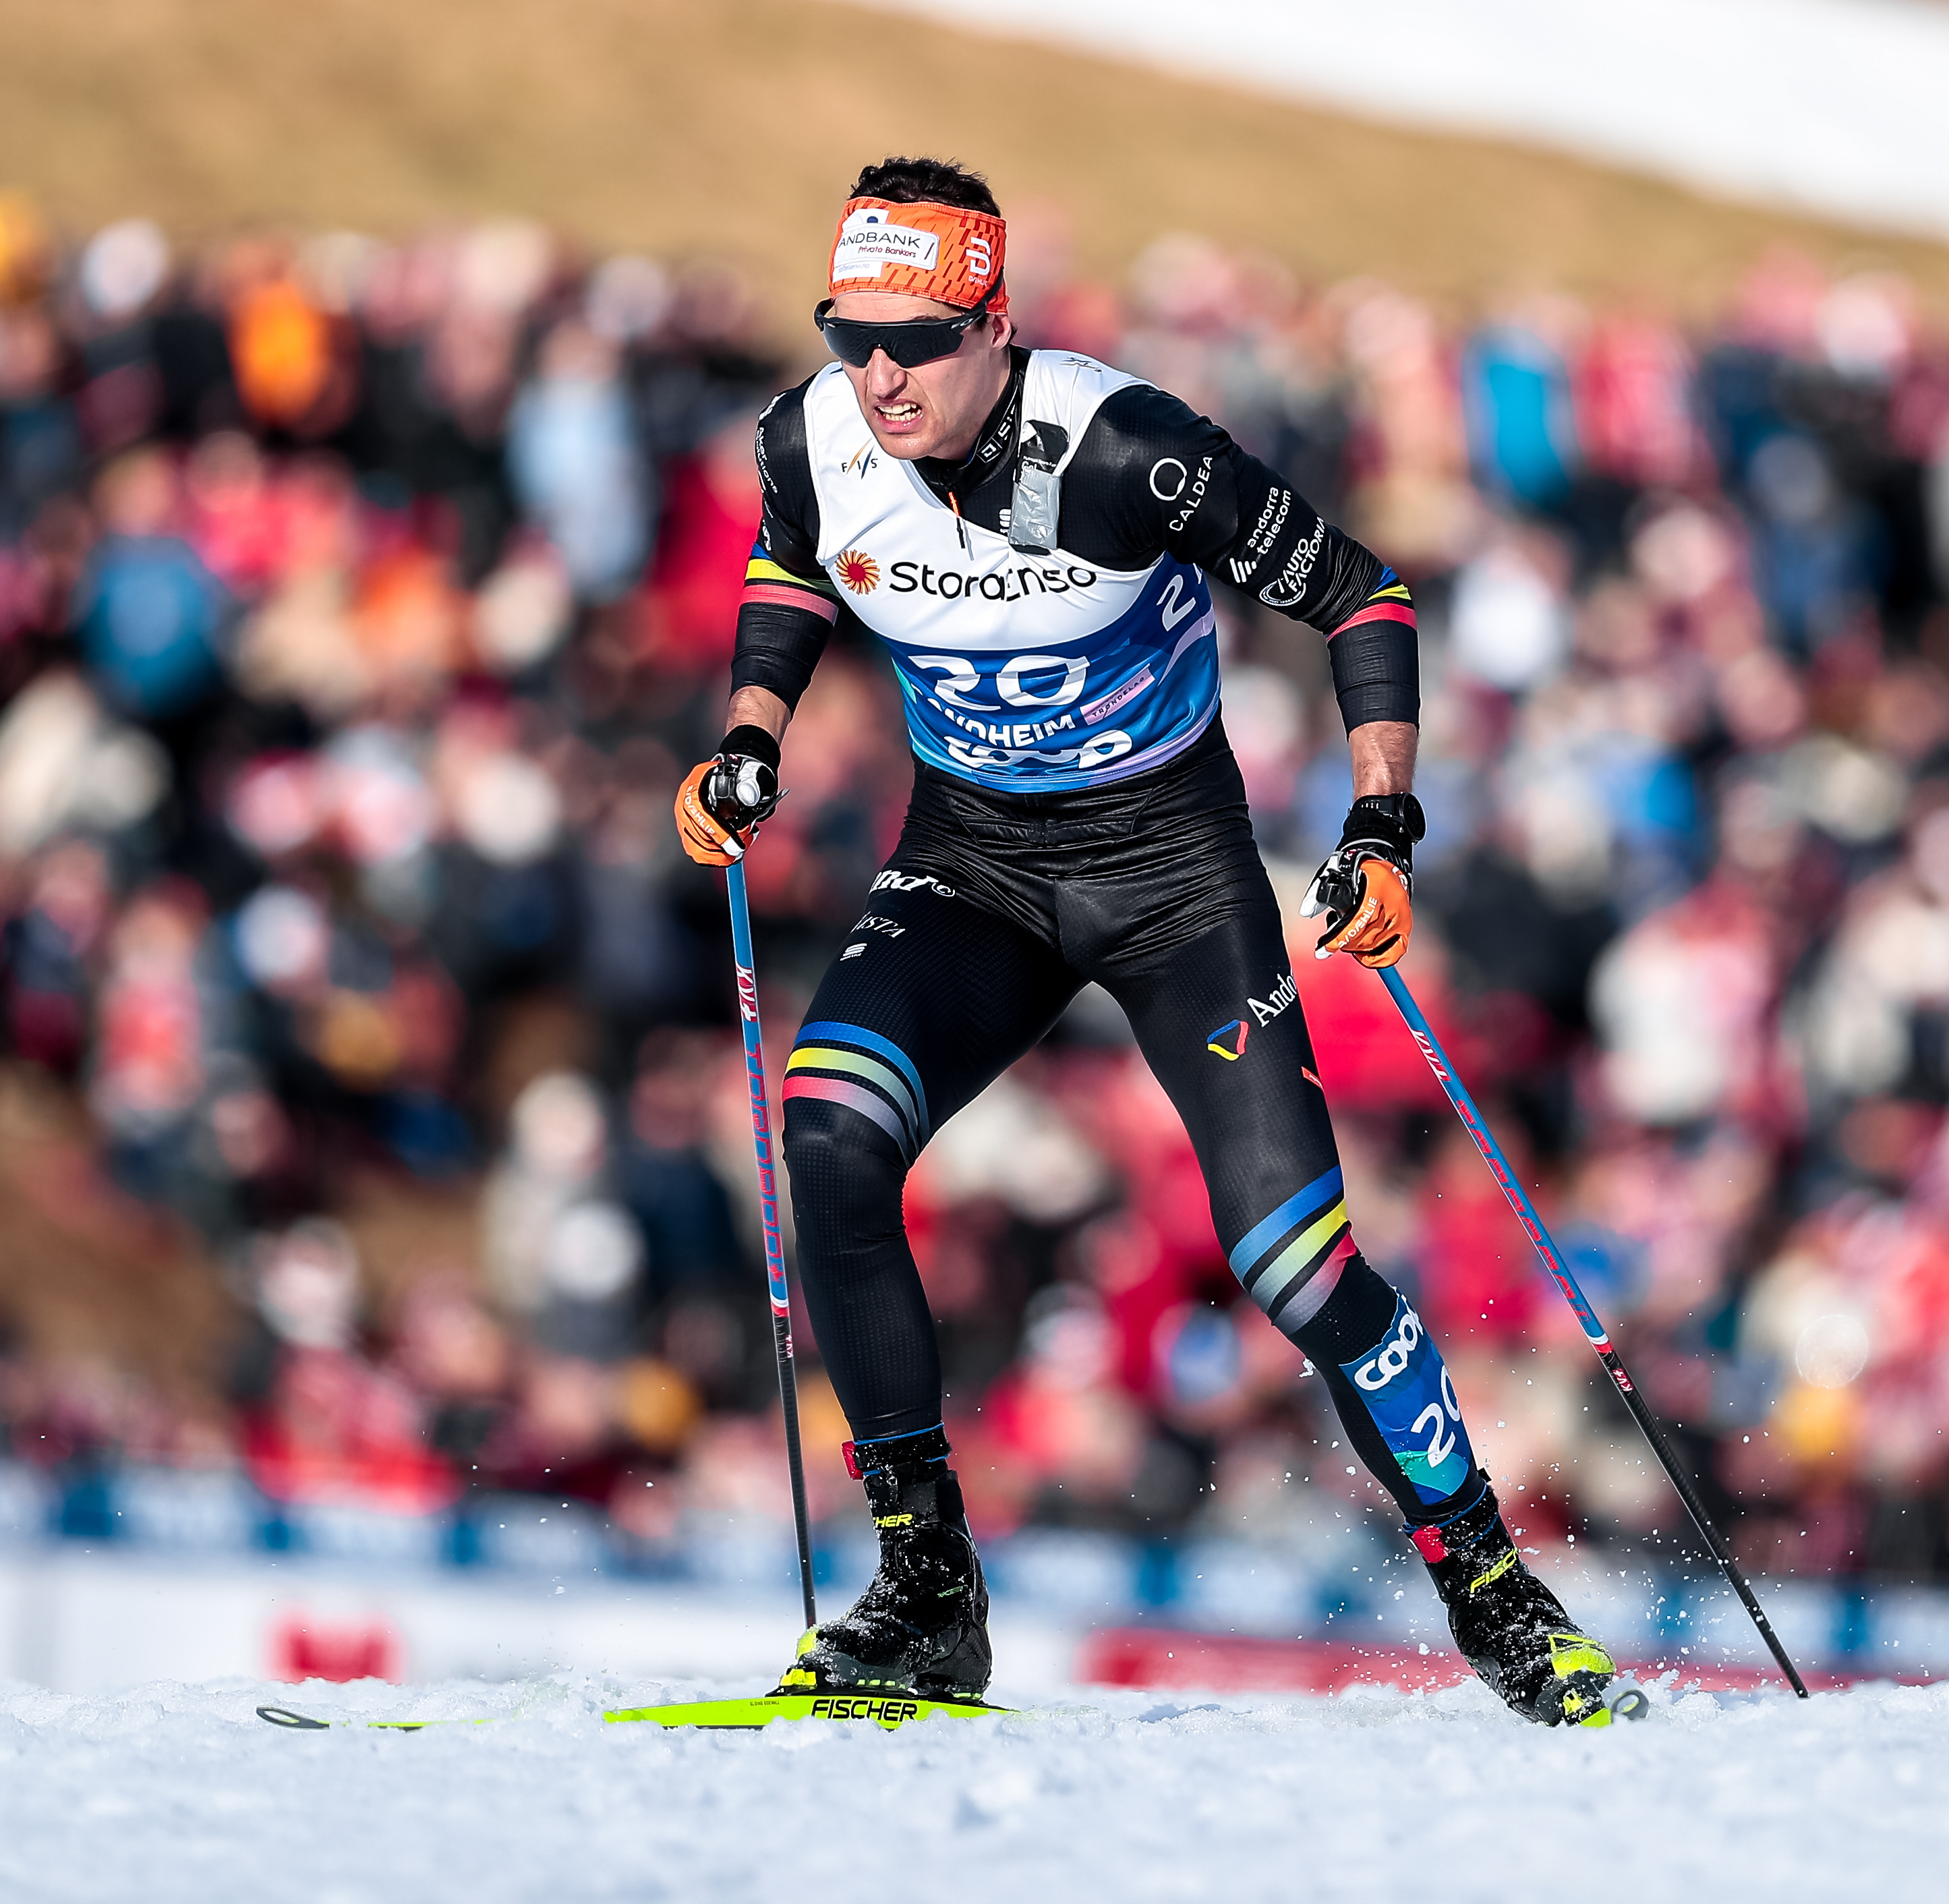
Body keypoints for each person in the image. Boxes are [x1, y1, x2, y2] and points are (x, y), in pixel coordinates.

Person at [675, 158, 1631, 1725]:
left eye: (917, 341)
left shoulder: (1127, 450)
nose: (881, 375)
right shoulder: (813, 437)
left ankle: (1492, 1584)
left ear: (996, 325)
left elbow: (1364, 597)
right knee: (828, 1134)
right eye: (852, 336)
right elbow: (793, 557)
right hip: (975, 866)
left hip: (1173, 877)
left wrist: (1382, 823)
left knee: (1295, 1264)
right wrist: (750, 735)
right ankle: (928, 1589)